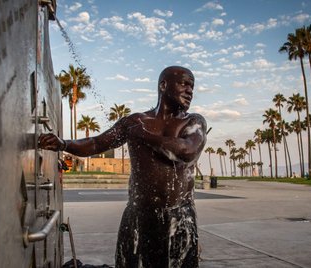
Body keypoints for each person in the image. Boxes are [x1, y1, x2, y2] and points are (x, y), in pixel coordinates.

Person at [39, 66, 207, 268]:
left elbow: (187, 151)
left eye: (192, 86)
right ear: (163, 85)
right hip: (139, 216)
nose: (190, 90)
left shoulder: (193, 121)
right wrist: (63, 144)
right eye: (184, 83)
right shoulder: (135, 121)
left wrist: (144, 136)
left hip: (180, 217)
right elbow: (96, 143)